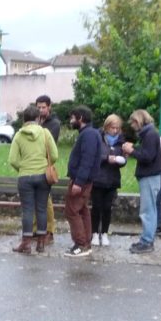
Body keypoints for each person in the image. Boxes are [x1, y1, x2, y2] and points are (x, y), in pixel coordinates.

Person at [8, 105, 57, 254]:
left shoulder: (18, 135)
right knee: (41, 208)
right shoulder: (45, 133)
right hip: (43, 176)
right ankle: (41, 243)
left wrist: (22, 168)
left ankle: (26, 243)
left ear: (24, 119)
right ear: (38, 118)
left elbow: (12, 159)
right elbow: (54, 155)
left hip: (25, 177)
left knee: (28, 210)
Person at [62, 106, 101, 257]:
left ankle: (81, 244)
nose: (71, 121)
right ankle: (86, 242)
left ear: (80, 118)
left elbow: (87, 160)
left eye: (73, 118)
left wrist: (79, 182)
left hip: (82, 180)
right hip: (82, 179)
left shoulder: (89, 135)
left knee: (72, 210)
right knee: (82, 210)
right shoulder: (88, 133)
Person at [122, 109, 161, 254]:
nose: (132, 125)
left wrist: (132, 151)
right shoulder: (150, 134)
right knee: (149, 209)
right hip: (150, 176)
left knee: (148, 210)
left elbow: (147, 156)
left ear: (139, 120)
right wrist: (134, 149)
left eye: (133, 121)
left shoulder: (150, 135)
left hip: (149, 176)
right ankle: (146, 238)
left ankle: (147, 241)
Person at [91, 115, 127, 247]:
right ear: (106, 127)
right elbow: (94, 156)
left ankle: (105, 233)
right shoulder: (98, 138)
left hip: (112, 179)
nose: (115, 130)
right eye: (113, 128)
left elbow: (123, 160)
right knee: (96, 207)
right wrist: (107, 158)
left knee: (107, 207)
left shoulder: (120, 142)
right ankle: (94, 233)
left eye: (117, 128)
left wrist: (121, 160)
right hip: (98, 178)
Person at [36, 94, 61, 243]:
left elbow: (49, 142)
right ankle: (35, 229)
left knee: (46, 200)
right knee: (34, 199)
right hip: (34, 163)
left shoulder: (54, 123)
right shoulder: (36, 121)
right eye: (38, 107)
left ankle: (49, 231)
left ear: (49, 107)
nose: (40, 110)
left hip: (46, 163)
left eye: (43, 107)